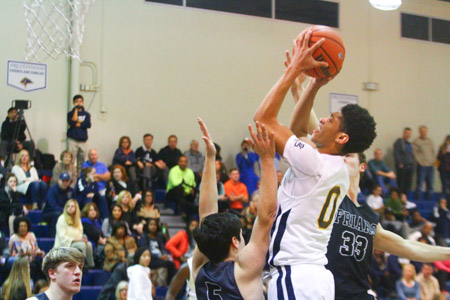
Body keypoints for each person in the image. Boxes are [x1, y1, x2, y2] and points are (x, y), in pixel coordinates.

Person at [254, 29, 376, 299]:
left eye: (330, 119)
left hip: (296, 275)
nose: (320, 120)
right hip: (315, 277)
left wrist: (294, 70)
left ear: (342, 137)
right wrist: (314, 84)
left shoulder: (313, 162)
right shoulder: (338, 169)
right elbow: (297, 129)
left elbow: (264, 120)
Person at [326, 151, 450, 300]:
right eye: (339, 156)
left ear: (362, 166)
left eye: (348, 155)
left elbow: (407, 247)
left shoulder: (369, 217)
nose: (341, 159)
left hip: (358, 294)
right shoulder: (325, 199)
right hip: (326, 292)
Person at [192, 118, 277, 299]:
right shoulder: (244, 271)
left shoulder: (199, 270)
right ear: (235, 242)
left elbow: (206, 215)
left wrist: (210, 157)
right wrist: (268, 160)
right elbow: (266, 217)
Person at [54, 199, 95, 268]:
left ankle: (91, 265)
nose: (70, 208)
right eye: (68, 206)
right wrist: (77, 240)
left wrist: (83, 237)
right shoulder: (61, 219)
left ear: (76, 208)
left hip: (77, 241)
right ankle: (81, 266)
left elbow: (80, 233)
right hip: (65, 244)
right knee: (82, 245)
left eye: (72, 206)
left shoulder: (78, 219)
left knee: (89, 244)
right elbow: (62, 237)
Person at [138, 218, 176, 283]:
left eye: (155, 225)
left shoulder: (159, 236)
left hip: (160, 258)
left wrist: (165, 255)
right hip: (150, 259)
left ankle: (171, 284)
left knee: (172, 264)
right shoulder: (144, 237)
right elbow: (145, 251)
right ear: (147, 226)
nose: (153, 227)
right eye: (151, 225)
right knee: (164, 264)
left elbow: (163, 248)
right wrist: (158, 257)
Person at [8, 216, 45, 282]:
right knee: (32, 266)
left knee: (43, 264)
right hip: (20, 262)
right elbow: (12, 256)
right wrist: (24, 254)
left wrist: (40, 252)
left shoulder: (31, 235)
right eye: (21, 226)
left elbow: (36, 248)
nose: (23, 228)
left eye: (25, 226)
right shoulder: (13, 238)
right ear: (17, 227)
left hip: (33, 259)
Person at [43, 172, 74, 236]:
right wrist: (65, 211)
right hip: (49, 213)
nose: (65, 183)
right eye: (63, 181)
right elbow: (52, 205)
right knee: (57, 214)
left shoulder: (71, 191)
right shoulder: (52, 190)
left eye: (67, 181)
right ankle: (53, 237)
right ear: (59, 181)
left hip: (66, 212)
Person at [67, 94, 91, 174]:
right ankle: (69, 178)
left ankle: (80, 178)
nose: (79, 103)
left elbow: (88, 124)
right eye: (77, 102)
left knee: (81, 161)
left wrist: (79, 124)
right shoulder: (70, 113)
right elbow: (72, 122)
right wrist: (76, 110)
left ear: (83, 102)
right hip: (72, 140)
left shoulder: (86, 114)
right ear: (74, 103)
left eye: (80, 101)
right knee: (71, 160)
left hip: (83, 141)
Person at [413, 125, 436, 201]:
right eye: (422, 131)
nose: (424, 133)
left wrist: (434, 162)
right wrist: (420, 162)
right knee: (420, 184)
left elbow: (433, 152)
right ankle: (418, 200)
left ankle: (429, 201)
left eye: (425, 131)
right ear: (419, 132)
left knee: (430, 185)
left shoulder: (430, 141)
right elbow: (414, 153)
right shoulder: (416, 141)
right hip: (422, 166)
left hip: (430, 166)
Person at [394, 127, 415, 194]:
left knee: (408, 184)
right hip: (403, 166)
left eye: (409, 134)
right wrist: (400, 162)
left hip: (410, 165)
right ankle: (400, 197)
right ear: (404, 133)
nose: (408, 135)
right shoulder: (399, 142)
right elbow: (396, 153)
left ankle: (406, 198)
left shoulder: (409, 144)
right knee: (401, 183)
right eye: (407, 133)